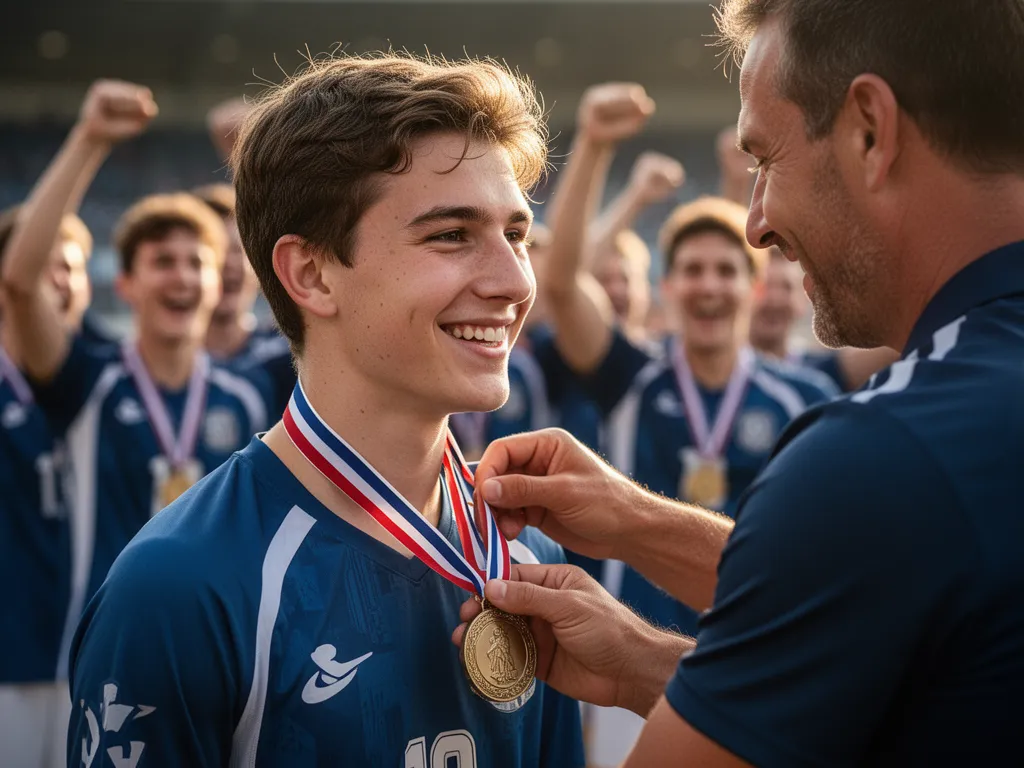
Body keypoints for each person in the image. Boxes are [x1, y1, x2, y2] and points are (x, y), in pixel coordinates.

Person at [454, 0, 1024, 764]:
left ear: (869, 131)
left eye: (764, 159)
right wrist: (638, 534)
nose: (755, 222)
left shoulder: (883, 454)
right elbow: (878, 597)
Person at [66, 54, 584, 766]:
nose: (513, 280)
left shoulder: (525, 554)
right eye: (451, 234)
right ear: (310, 274)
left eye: (517, 233)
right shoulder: (179, 589)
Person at [1, 80, 272, 689]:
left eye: (196, 263)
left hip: (219, 659)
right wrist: (90, 138)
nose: (182, 277)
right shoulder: (87, 383)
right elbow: (21, 284)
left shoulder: (251, 391)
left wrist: (253, 159)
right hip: (96, 660)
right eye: (161, 262)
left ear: (222, 279)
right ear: (123, 286)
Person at [0, 205, 92, 768]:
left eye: (73, 267)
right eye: (46, 264)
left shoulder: (103, 378)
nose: (59, 280)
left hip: (83, 655)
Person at [194, 182, 296, 415]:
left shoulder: (291, 354)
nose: (228, 263)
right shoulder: (156, 367)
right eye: (216, 251)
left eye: (237, 250)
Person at [750, 245, 896, 391]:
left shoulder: (821, 373)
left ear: (804, 298)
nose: (774, 299)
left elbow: (897, 346)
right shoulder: (731, 378)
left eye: (787, 287)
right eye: (765, 286)